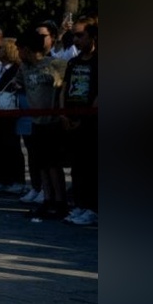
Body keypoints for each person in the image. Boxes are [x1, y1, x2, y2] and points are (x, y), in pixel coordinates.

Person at [14, 31, 68, 220]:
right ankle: (47, 198)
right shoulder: (24, 68)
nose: (18, 53)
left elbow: (64, 88)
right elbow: (18, 84)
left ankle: (60, 201)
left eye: (19, 49)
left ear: (27, 49)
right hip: (35, 121)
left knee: (54, 163)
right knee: (41, 163)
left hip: (53, 121)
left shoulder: (56, 64)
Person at [59, 20, 97, 225]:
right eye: (74, 35)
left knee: (91, 166)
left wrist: (85, 118)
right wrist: (63, 114)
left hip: (91, 122)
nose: (76, 40)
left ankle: (93, 208)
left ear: (92, 37)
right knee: (77, 166)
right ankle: (80, 204)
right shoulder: (73, 62)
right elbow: (64, 88)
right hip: (71, 117)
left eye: (80, 35)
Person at [0, 37, 27, 195]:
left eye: (1, 47)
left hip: (8, 112)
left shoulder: (17, 69)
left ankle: (17, 180)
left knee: (11, 146)